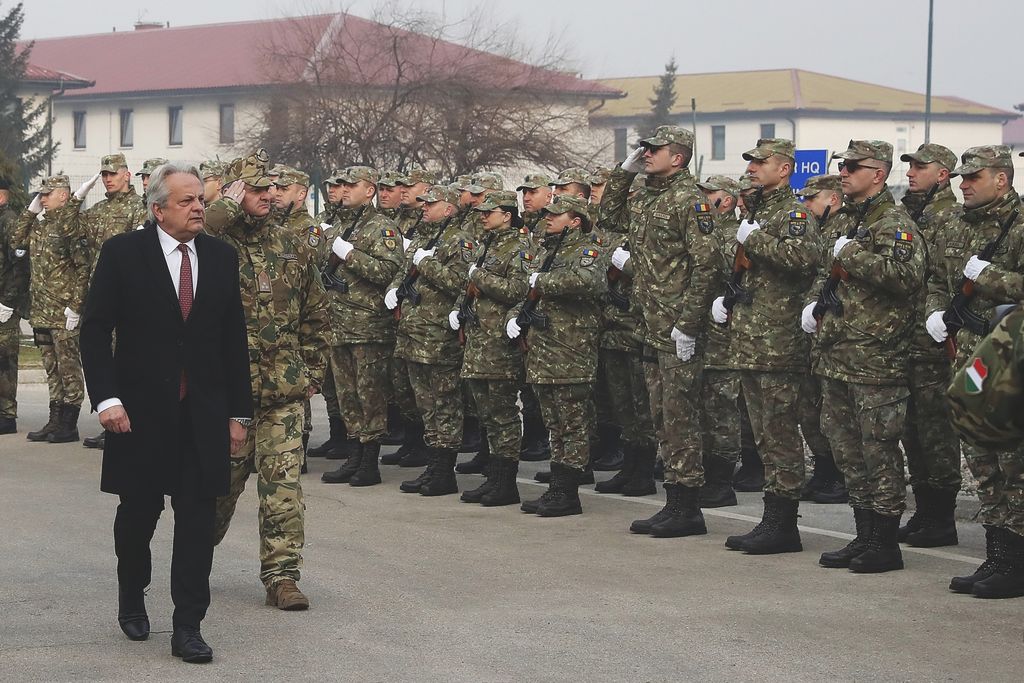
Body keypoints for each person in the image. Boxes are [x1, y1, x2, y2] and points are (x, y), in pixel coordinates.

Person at [79, 162, 251, 663]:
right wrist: (107, 399)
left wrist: (239, 413)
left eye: (200, 199)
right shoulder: (122, 253)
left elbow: (232, 337)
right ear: (157, 209)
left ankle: (188, 624)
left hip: (201, 412)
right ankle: (132, 595)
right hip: (138, 414)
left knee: (198, 519)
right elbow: (94, 330)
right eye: (186, 201)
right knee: (138, 514)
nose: (199, 207)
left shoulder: (221, 257)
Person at [205, 149, 331, 610]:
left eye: (272, 187)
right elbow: (193, 231)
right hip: (226, 394)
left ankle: (282, 577)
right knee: (219, 488)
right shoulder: (212, 244)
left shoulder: (291, 242)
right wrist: (223, 205)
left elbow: (316, 311)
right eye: (256, 188)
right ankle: (197, 558)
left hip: (283, 392)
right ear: (236, 193)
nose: (268, 195)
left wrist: (312, 372)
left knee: (283, 491)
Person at [804, 140, 924, 573]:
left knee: (879, 450)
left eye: (854, 167)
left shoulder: (894, 222)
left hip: (876, 357)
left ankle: (886, 543)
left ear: (878, 174)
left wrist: (851, 253)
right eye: (843, 165)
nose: (845, 172)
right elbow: (824, 270)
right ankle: (865, 534)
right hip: (837, 352)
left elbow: (905, 277)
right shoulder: (845, 219)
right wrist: (814, 303)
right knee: (846, 448)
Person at [600, 125, 719, 537]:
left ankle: (688, 506)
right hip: (649, 323)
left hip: (675, 327)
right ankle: (674, 500)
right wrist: (624, 173)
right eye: (644, 149)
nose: (646, 153)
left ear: (679, 158)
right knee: (662, 416)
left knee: (681, 416)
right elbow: (609, 217)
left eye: (655, 149)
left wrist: (689, 324)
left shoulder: (690, 201)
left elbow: (707, 267)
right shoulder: (649, 196)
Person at [714, 138, 822, 555]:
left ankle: (783, 524)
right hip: (751, 339)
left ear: (784, 169)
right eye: (752, 163)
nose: (753, 169)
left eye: (761, 163)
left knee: (779, 433)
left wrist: (753, 239)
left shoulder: (794, 212)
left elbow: (803, 259)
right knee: (763, 433)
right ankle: (772, 519)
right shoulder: (757, 211)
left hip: (778, 342)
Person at [927, 145, 1024, 598]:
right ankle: (997, 556)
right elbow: (934, 278)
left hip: (1009, 364)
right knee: (981, 462)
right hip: (966, 357)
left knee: (1013, 465)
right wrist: (935, 312)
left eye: (973, 177)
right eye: (961, 177)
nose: (962, 184)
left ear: (1001, 179)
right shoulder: (955, 225)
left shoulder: (1019, 226)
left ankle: (1015, 563)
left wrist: (990, 276)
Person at [507, 194, 605, 516]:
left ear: (575, 221)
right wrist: (516, 316)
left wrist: (544, 280)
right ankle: (557, 488)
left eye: (556, 214)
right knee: (554, 423)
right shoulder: (549, 250)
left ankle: (568, 493)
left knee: (572, 423)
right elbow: (530, 293)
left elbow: (590, 282)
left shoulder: (587, 250)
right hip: (545, 351)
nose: (548, 218)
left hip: (571, 351)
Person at [316, 166, 403, 486]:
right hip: (338, 324)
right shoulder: (337, 225)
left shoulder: (382, 227)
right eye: (341, 185)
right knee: (347, 395)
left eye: (352, 185)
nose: (344, 189)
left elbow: (387, 272)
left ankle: (369, 460)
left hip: (368, 325)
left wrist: (349, 253)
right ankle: (354, 453)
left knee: (370, 396)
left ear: (370, 190)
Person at [896, 143, 964, 547]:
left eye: (920, 167)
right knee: (912, 431)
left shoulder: (950, 218)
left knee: (937, 430)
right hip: (905, 337)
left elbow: (942, 277)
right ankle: (924, 510)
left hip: (933, 342)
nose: (911, 173)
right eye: (910, 167)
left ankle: (942, 516)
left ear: (942, 175)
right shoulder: (908, 213)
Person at [385, 184, 472, 496]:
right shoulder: (423, 236)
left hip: (439, 337)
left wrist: (427, 264)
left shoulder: (460, 240)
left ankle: (444, 470)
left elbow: (461, 283)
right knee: (425, 404)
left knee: (445, 404)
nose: (424, 206)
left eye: (430, 203)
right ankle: (433, 464)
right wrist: (394, 289)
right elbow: (403, 269)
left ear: (447, 208)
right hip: (413, 334)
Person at [450, 190, 535, 505]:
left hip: (500, 341)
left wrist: (480, 277)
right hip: (477, 340)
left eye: (490, 211)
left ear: (507, 215)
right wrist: (459, 308)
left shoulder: (521, 248)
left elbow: (519, 289)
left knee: (503, 414)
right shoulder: (485, 246)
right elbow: (469, 288)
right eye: (482, 211)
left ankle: (506, 482)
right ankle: (493, 476)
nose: (483, 216)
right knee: (487, 413)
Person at [11, 175, 91, 444]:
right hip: (41, 311)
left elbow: (83, 269)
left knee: (68, 368)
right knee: (51, 367)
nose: (42, 198)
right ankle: (55, 419)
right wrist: (30, 212)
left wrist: (76, 307)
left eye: (47, 194)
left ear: (64, 196)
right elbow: (15, 240)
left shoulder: (72, 228)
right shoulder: (40, 227)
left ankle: (69, 423)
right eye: (40, 194)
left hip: (62, 312)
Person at [79, 153, 148, 451]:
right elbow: (70, 231)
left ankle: (127, 421)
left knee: (126, 362)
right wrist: (74, 199)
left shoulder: (137, 208)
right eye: (103, 174)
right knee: (104, 358)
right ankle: (110, 419)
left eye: (112, 173)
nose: (107, 178)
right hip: (103, 294)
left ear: (126, 175)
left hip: (129, 298)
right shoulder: (99, 210)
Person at [794, 175, 849, 504]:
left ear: (832, 199)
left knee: (832, 410)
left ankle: (840, 475)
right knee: (810, 408)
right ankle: (825, 469)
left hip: (832, 332)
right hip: (810, 329)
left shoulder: (843, 229)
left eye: (811, 198)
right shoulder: (816, 229)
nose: (805, 204)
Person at [692, 174, 742, 507]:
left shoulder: (734, 235)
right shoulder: (706, 232)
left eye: (711, 195)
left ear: (727, 201)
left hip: (725, 338)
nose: (704, 200)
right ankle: (711, 474)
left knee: (723, 408)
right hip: (704, 335)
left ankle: (723, 482)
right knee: (707, 406)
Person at [0, 178, 29, 434]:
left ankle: (7, 415)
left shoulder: (8, 220)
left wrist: (8, 301)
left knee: (5, 359)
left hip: (4, 304)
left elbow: (19, 264)